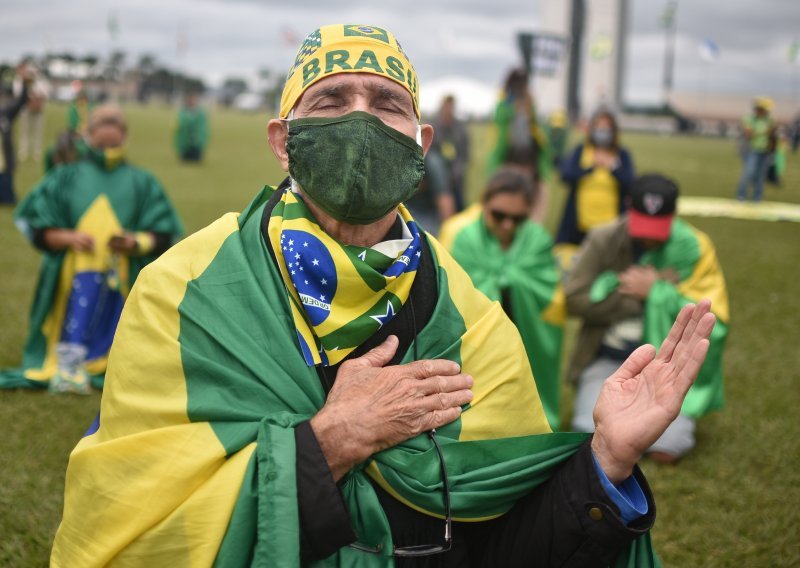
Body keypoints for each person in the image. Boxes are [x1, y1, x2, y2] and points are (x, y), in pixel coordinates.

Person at [52, 25, 717, 566]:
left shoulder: (473, 319)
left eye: (388, 104)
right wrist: (329, 444)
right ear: (283, 142)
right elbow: (136, 527)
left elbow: (503, 545)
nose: (362, 120)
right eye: (331, 102)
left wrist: (604, 463)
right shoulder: (182, 291)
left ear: (421, 144)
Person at [0, 105, 183, 394]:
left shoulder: (142, 182)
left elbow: (163, 233)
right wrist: (66, 238)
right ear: (88, 136)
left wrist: (133, 242)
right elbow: (37, 227)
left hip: (121, 278)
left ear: (124, 137)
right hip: (70, 276)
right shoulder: (66, 177)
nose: (108, 148)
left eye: (114, 142)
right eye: (101, 142)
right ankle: (67, 365)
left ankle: (110, 362)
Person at [565, 174, 729, 464]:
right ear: (628, 208)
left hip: (662, 368)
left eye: (657, 229)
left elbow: (711, 316)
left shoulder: (694, 247)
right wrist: (637, 298)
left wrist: (655, 292)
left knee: (669, 448)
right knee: (587, 438)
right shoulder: (604, 238)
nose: (649, 237)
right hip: (608, 359)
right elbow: (573, 298)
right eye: (642, 226)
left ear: (674, 215)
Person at [445, 168, 565, 430]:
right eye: (498, 216)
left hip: (527, 329)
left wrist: (502, 278)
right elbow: (460, 290)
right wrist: (510, 278)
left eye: (518, 218)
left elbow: (544, 288)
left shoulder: (537, 238)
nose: (508, 225)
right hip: (480, 335)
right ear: (484, 205)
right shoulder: (466, 238)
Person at [556, 109, 635, 249]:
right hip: (580, 226)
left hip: (611, 226)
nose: (602, 131)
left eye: (606, 128)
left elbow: (630, 182)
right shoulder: (581, 150)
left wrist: (613, 167)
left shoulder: (621, 155)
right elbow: (566, 176)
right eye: (598, 127)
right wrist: (590, 168)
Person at [487, 68, 551, 222]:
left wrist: (528, 109)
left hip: (532, 168)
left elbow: (539, 136)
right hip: (509, 165)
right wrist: (512, 109)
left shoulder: (531, 106)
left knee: (535, 213)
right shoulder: (503, 105)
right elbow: (499, 139)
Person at [430, 95, 470, 211]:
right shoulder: (434, 126)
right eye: (445, 107)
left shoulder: (460, 129)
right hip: (437, 173)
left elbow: (464, 155)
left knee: (459, 203)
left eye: (450, 107)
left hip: (455, 175)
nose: (447, 110)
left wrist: (455, 173)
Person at [735, 96, 777, 202]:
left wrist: (772, 150)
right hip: (751, 150)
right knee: (748, 173)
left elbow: (772, 136)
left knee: (761, 176)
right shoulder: (749, 119)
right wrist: (766, 132)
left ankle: (757, 198)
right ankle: (741, 196)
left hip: (766, 151)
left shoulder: (770, 120)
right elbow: (749, 134)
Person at [0, 63, 31, 205]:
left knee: (9, 200)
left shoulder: (6, 113)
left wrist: (24, 82)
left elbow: (21, 101)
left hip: (5, 161)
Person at [14, 62, 50, 163]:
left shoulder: (41, 81)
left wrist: (37, 96)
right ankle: (23, 153)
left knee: (37, 133)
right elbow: (17, 93)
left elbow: (46, 92)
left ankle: (36, 153)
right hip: (25, 110)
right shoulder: (20, 80)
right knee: (24, 133)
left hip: (38, 111)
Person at [174, 91, 209, 162]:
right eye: (191, 100)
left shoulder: (200, 113)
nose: (192, 102)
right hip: (185, 140)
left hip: (196, 141)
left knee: (196, 160)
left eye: (194, 100)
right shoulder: (183, 112)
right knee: (185, 159)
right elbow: (180, 126)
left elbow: (202, 128)